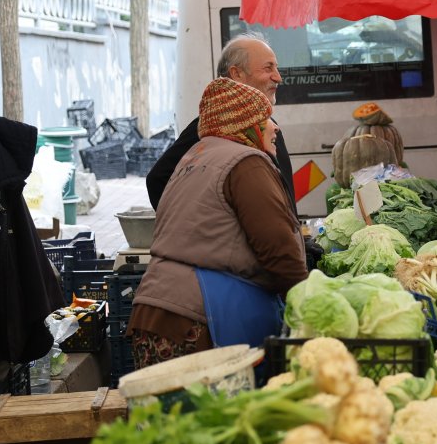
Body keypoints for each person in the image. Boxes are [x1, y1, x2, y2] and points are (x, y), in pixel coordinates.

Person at [130, 78, 309, 368]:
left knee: (169, 414)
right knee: (211, 413)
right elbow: (279, 250)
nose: (275, 127)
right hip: (196, 323)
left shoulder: (195, 156)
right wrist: (310, 306)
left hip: (154, 314)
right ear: (245, 126)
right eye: (264, 119)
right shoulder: (246, 162)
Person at [147, 34, 295, 217]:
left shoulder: (268, 125)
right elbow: (158, 179)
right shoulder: (212, 127)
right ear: (237, 74)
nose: (278, 77)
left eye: (277, 68)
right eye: (268, 68)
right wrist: (206, 227)